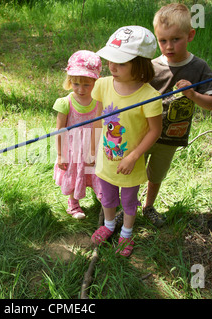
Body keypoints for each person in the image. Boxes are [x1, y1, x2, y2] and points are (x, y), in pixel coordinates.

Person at [143, 3, 212, 227]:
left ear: (190, 35)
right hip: (145, 132)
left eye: (176, 39)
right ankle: (126, 207)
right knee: (134, 171)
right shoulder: (151, 67)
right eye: (163, 40)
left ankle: (148, 206)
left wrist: (193, 94)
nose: (169, 46)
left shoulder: (199, 67)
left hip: (172, 135)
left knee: (156, 175)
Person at [90, 26, 163, 257]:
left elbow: (155, 130)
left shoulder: (149, 96)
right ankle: (110, 225)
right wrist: (93, 146)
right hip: (107, 159)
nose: (112, 66)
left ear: (140, 63)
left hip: (130, 162)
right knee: (107, 196)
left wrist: (133, 156)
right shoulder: (102, 85)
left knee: (129, 201)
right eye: (111, 60)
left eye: (121, 63)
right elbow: (98, 118)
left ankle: (127, 233)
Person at [53, 50, 103, 219]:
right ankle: (73, 203)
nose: (81, 89)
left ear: (96, 81)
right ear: (70, 81)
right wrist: (60, 155)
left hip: (94, 145)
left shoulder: (99, 102)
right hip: (73, 150)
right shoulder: (65, 103)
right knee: (76, 175)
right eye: (76, 84)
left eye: (87, 85)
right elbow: (60, 131)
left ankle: (104, 200)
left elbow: (100, 125)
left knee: (97, 173)